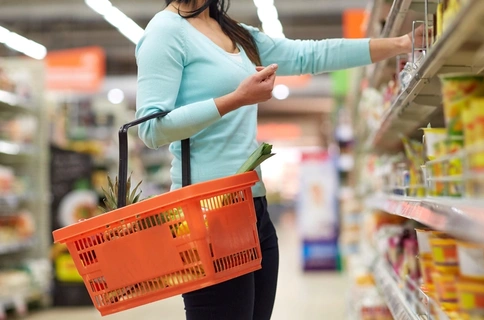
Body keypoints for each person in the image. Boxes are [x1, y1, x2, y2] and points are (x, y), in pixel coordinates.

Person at [135, 0, 427, 319]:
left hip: (253, 209)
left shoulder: (233, 31)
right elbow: (151, 128)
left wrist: (403, 43)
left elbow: (310, 55)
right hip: (207, 214)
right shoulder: (165, 31)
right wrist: (237, 99)